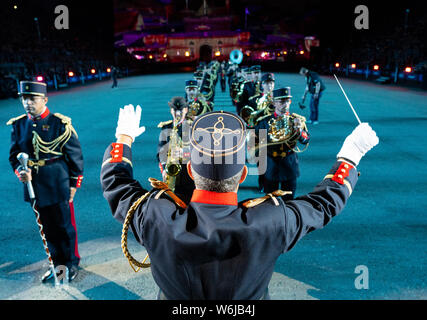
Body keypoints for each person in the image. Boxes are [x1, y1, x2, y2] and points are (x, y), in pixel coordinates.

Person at [101, 104, 378, 300]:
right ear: (244, 173)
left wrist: (123, 138)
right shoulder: (270, 221)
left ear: (190, 171)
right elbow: (323, 204)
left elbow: (116, 183)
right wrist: (350, 155)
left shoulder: (155, 215)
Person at [8, 81, 84, 282]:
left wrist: (74, 185)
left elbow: (75, 157)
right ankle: (57, 264)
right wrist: (21, 172)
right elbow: (14, 155)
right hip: (34, 185)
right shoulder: (19, 125)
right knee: (46, 227)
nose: (27, 103)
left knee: (64, 227)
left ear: (45, 100)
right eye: (24, 98)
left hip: (58, 182)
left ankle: (71, 263)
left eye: (32, 98)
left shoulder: (60, 124)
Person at [253, 87, 310, 197]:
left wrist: (299, 130)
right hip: (271, 164)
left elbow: (306, 140)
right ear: (274, 103)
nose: (285, 105)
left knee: (289, 200)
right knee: (269, 200)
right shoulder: (265, 121)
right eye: (282, 102)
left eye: (287, 101)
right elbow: (255, 140)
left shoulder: (296, 120)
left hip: (289, 163)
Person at [156, 97, 195, 204]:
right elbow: (161, 151)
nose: (178, 113)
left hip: (191, 172)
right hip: (172, 172)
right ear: (171, 111)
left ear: (186, 110)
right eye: (175, 110)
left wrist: (185, 152)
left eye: (181, 110)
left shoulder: (193, 126)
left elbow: (201, 150)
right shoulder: (166, 127)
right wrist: (164, 168)